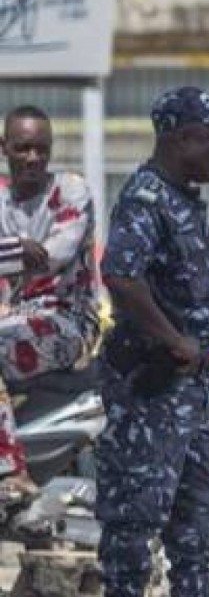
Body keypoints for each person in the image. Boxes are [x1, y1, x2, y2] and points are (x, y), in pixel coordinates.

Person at [95, 86, 209, 597]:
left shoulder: (182, 199)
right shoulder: (146, 198)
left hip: (188, 387)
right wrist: (173, 339)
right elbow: (121, 275)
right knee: (136, 506)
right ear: (180, 136)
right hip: (150, 384)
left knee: (196, 506)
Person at [0, 105, 101, 497]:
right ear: (4, 148)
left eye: (42, 149)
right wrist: (17, 249)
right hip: (14, 319)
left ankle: (11, 473)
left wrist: (23, 251)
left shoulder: (70, 189)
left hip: (69, 320)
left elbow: (52, 255)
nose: (34, 158)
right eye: (23, 148)